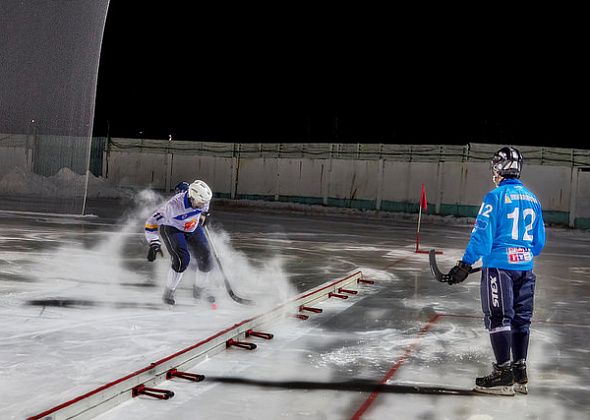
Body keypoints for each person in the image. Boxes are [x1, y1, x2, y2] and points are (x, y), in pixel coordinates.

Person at [447, 146, 545, 395]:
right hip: (525, 269)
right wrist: (520, 254)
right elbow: (539, 242)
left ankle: (503, 373)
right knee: (522, 319)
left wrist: (465, 264)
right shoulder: (533, 199)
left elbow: (482, 236)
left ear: (499, 169)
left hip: (499, 269)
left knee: (499, 317)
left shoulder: (495, 197)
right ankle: (519, 372)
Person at [144, 179, 214, 305]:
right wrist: (154, 242)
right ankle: (169, 291)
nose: (204, 204)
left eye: (205, 202)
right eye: (201, 202)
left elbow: (203, 210)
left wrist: (204, 216)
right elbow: (151, 222)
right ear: (192, 197)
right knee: (182, 260)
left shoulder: (202, 202)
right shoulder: (173, 206)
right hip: (172, 228)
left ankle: (199, 290)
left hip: (192, 227)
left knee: (207, 258)